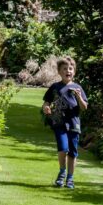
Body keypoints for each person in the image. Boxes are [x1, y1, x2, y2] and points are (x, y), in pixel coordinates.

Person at [42, 57, 88, 189]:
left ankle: (70, 178)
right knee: (63, 148)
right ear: (59, 71)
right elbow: (46, 102)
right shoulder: (55, 87)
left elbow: (84, 107)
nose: (68, 71)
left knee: (72, 153)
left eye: (70, 68)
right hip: (59, 122)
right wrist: (46, 108)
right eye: (65, 69)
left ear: (74, 71)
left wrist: (79, 97)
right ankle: (62, 172)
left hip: (74, 123)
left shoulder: (78, 88)